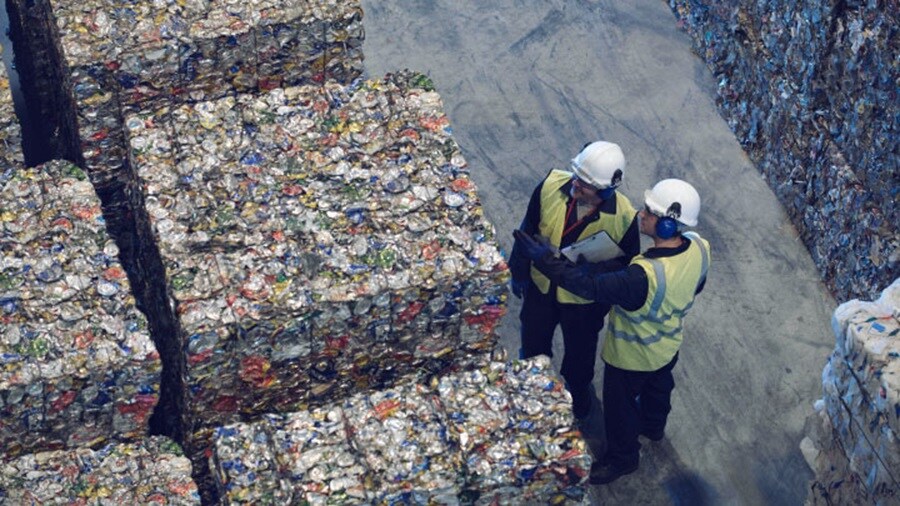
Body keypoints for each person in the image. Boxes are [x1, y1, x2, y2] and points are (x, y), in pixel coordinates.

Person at [514, 178, 711, 485]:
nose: (641, 215)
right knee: (658, 391)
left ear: (669, 227)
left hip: (632, 355)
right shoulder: (700, 247)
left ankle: (623, 458)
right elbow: (696, 285)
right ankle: (653, 427)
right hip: (668, 344)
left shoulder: (643, 276)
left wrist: (546, 260)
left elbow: (589, 287)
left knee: (619, 412)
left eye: (649, 212)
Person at [507, 141, 640, 428]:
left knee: (579, 361)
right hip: (541, 289)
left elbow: (627, 268)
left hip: (583, 304)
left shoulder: (625, 218)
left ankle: (579, 396)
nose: (575, 185)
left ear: (605, 191)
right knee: (533, 346)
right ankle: (533, 390)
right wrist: (519, 271)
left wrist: (593, 271)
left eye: (585, 184)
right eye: (576, 177)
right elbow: (527, 230)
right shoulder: (552, 185)